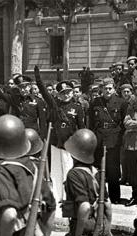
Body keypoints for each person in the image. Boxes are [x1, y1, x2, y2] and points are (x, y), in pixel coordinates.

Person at [34, 66, 86, 203]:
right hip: (57, 144)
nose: (66, 95)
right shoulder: (55, 106)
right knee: (56, 173)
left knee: (69, 172)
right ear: (58, 95)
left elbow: (81, 128)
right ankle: (57, 198)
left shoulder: (78, 108)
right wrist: (39, 80)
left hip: (71, 146)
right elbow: (45, 93)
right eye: (63, 93)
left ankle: (68, 198)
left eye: (68, 92)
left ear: (72, 92)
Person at [89, 78, 126, 204]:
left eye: (110, 88)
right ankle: (99, 194)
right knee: (98, 168)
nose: (108, 90)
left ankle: (115, 197)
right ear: (101, 90)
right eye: (105, 88)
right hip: (99, 137)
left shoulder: (121, 102)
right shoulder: (95, 102)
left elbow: (124, 123)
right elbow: (91, 122)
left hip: (114, 138)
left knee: (113, 169)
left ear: (114, 89)